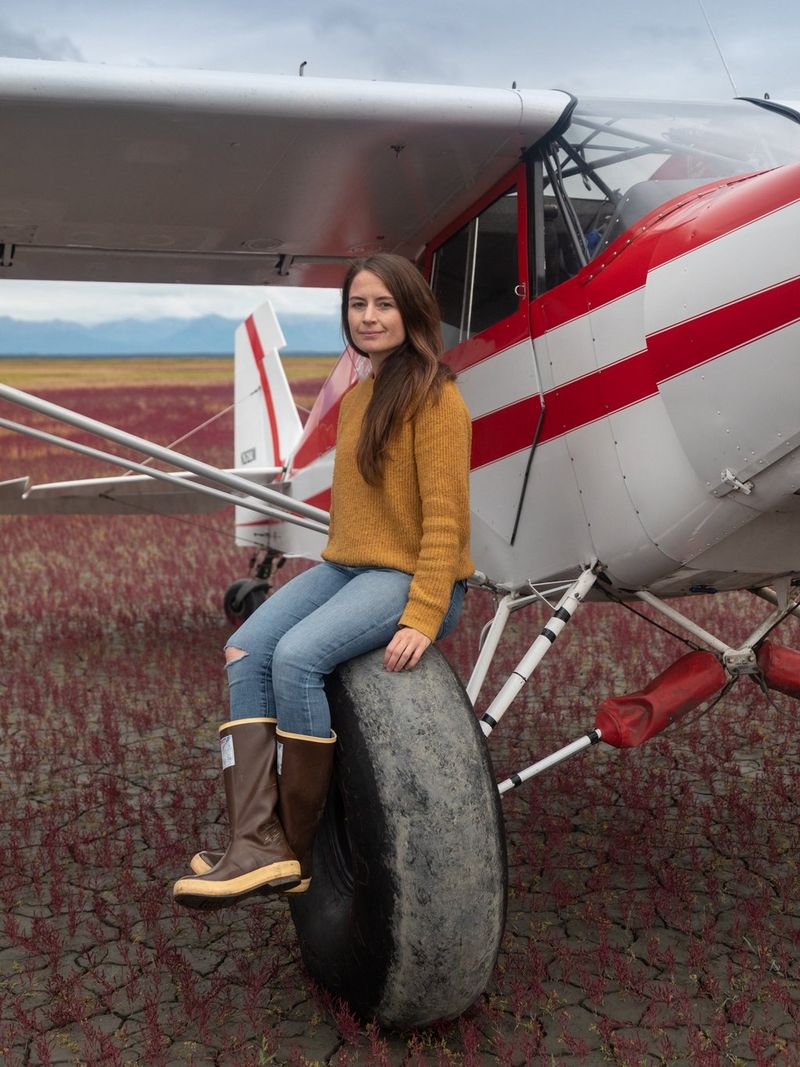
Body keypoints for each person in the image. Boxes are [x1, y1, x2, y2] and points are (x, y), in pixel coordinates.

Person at [173, 253, 474, 909]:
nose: (368, 317)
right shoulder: (359, 397)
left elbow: (447, 518)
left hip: (414, 576)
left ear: (412, 310)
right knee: (246, 650)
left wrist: (424, 613)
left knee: (299, 657)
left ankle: (294, 849)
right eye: (358, 305)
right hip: (348, 566)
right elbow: (358, 519)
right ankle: (251, 838)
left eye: (383, 304)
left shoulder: (438, 397)